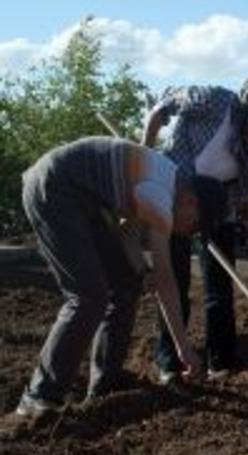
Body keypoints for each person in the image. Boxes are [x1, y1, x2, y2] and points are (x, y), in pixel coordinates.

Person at [16, 136, 227, 417]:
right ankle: (39, 396)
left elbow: (127, 230)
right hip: (55, 188)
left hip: (83, 199)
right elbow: (166, 280)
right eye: (197, 224)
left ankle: (105, 385)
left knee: (126, 283)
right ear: (190, 200)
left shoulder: (165, 180)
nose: (192, 233)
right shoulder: (162, 196)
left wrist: (141, 270)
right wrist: (184, 348)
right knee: (89, 297)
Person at [143, 75, 248, 383]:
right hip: (177, 194)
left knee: (220, 286)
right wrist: (144, 156)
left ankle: (221, 360)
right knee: (176, 279)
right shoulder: (214, 102)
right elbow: (163, 104)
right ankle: (170, 363)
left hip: (218, 203)